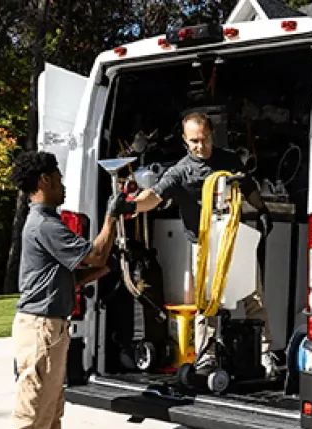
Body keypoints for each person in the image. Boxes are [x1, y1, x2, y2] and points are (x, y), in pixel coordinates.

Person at [0, 151, 126, 429]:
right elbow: (93, 254)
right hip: (40, 331)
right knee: (29, 421)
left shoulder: (44, 222)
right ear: (45, 181)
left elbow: (63, 277)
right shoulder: (45, 224)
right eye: (60, 178)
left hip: (49, 329)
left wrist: (97, 273)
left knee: (49, 418)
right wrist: (110, 218)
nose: (64, 185)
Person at [116, 112, 277, 376]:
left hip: (234, 238)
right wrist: (132, 205)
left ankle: (265, 355)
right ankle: (206, 357)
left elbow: (248, 187)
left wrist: (262, 210)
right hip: (203, 245)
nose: (199, 146)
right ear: (184, 140)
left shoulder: (229, 160)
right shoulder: (180, 172)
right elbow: (154, 195)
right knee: (207, 304)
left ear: (212, 135)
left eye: (204, 139)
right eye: (193, 141)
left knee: (253, 298)